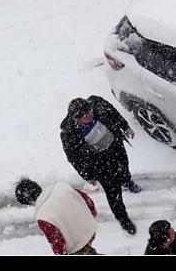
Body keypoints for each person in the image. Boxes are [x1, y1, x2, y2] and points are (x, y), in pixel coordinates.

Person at [60, 96, 141, 235]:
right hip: (100, 165)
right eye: (86, 115)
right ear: (77, 118)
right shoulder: (69, 134)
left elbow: (113, 112)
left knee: (124, 169)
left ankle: (127, 182)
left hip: (116, 148)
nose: (91, 114)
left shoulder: (97, 104)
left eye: (90, 110)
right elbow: (74, 158)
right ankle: (123, 219)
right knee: (113, 193)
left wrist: (125, 126)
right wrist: (87, 175)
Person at [15, 178, 100, 255]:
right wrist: (92, 213)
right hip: (90, 228)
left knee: (83, 251)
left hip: (77, 244)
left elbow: (57, 242)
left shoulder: (42, 215)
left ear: (28, 202)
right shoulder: (61, 186)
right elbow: (84, 198)